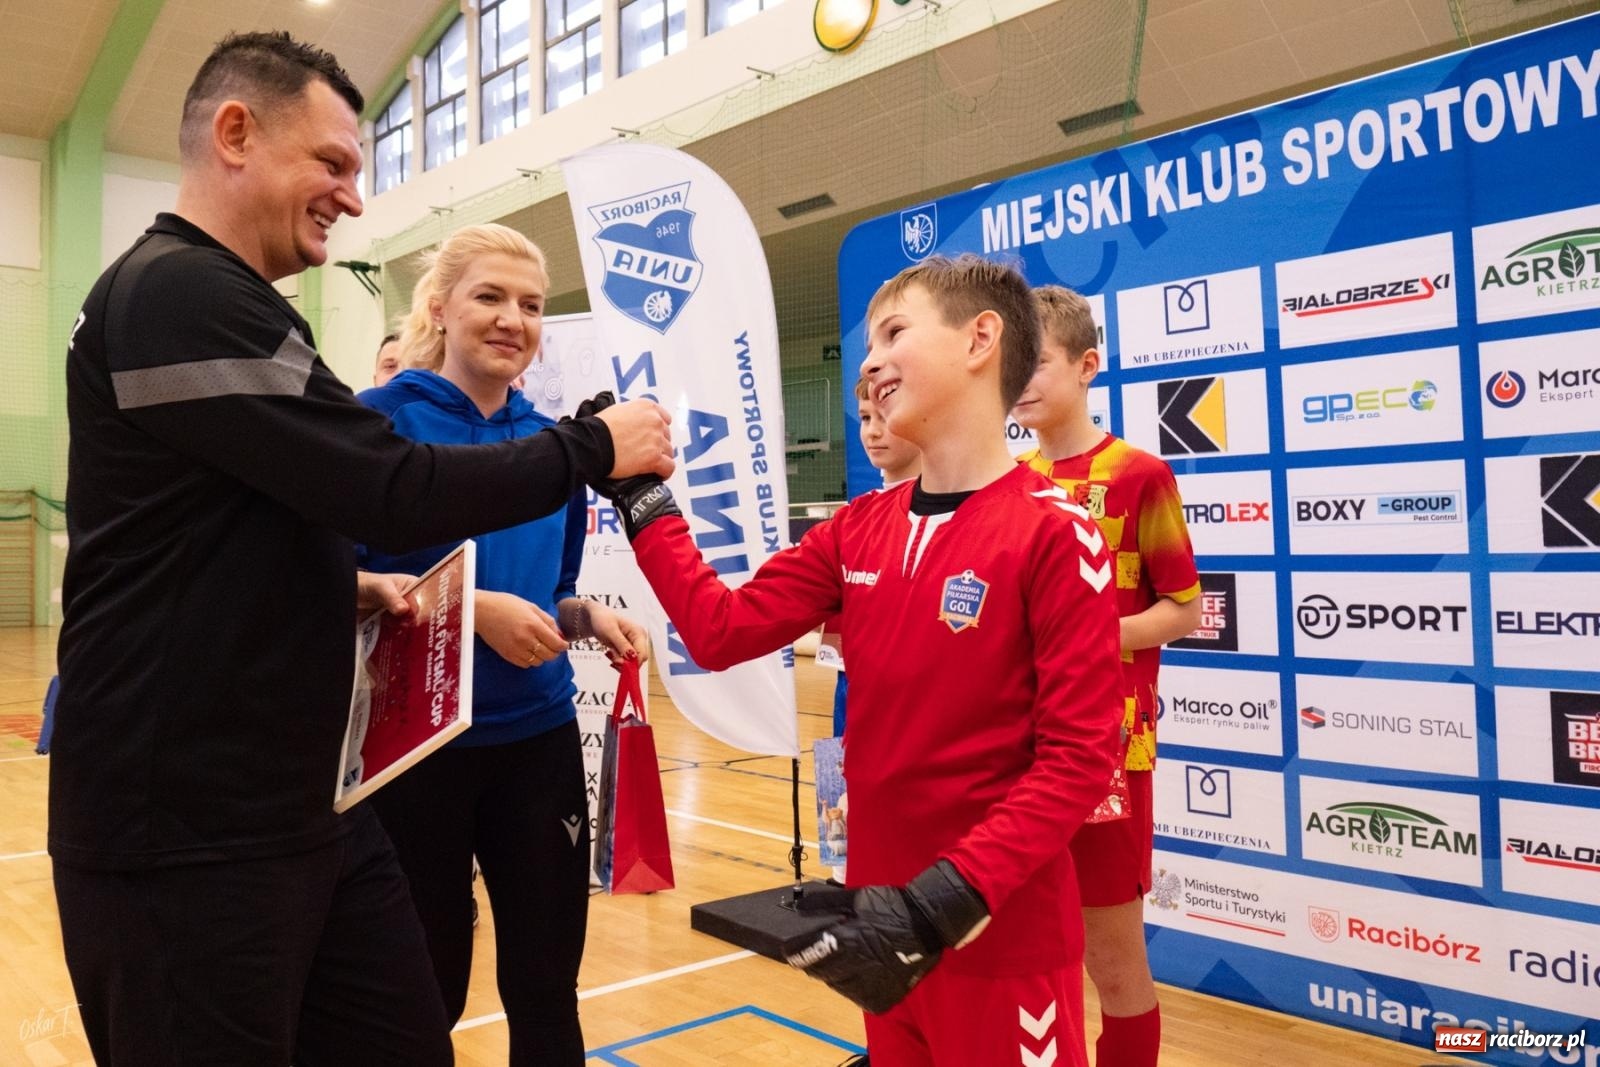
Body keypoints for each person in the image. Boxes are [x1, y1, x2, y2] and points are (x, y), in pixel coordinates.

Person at [51, 31, 671, 1066]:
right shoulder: (178, 291)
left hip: (306, 803)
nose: (351, 195)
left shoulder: (237, 305)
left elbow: (242, 521)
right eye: (332, 162)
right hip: (188, 828)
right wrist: (591, 447)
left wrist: (348, 585)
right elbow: (385, 483)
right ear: (236, 133)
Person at [585, 254, 1125, 1065]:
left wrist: (940, 902)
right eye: (869, 343)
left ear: (981, 339)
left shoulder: (1056, 532)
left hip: (996, 944)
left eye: (894, 333)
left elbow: (1080, 760)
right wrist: (642, 500)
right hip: (883, 939)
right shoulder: (857, 528)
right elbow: (720, 629)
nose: (869, 363)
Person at [356, 223, 648, 1064]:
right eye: (489, 296)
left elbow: (552, 588)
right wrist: (470, 607)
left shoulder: (555, 447)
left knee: (546, 984)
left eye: (531, 304)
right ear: (439, 308)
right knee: (425, 989)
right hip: (415, 752)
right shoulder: (376, 423)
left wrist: (585, 618)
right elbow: (331, 579)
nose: (512, 319)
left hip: (537, 744)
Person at [1011, 284, 1202, 1067]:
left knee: (1113, 963)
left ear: (1088, 365)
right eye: (1012, 362)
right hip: (1018, 749)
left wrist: (1088, 635)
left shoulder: (1139, 474)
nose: (1020, 380)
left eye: (1038, 362)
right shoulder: (1009, 479)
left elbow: (1184, 608)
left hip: (1109, 753)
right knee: (1031, 959)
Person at [826, 375, 923, 737]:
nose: (873, 431)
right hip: (849, 679)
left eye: (885, 416)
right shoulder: (852, 520)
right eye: (866, 418)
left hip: (912, 699)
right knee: (839, 766)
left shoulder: (948, 514)